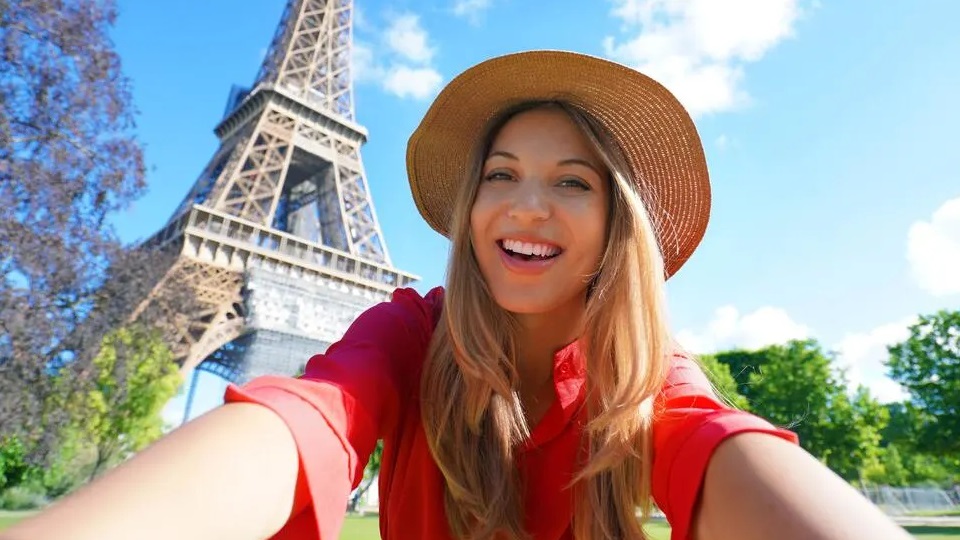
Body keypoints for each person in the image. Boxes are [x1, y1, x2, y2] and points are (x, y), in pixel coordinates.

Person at [2, 51, 911, 540]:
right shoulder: (407, 334)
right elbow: (308, 418)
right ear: (470, 205)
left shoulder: (645, 376)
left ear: (616, 227)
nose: (525, 205)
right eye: (501, 174)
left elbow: (721, 451)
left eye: (573, 183)